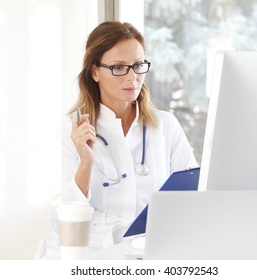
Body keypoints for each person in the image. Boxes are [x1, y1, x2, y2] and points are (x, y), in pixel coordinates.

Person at [42, 21, 197, 255]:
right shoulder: (69, 130)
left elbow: (193, 196)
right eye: (118, 67)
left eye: (138, 65)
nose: (132, 77)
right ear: (95, 71)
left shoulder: (165, 125)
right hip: (87, 253)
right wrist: (86, 163)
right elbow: (60, 218)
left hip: (148, 251)